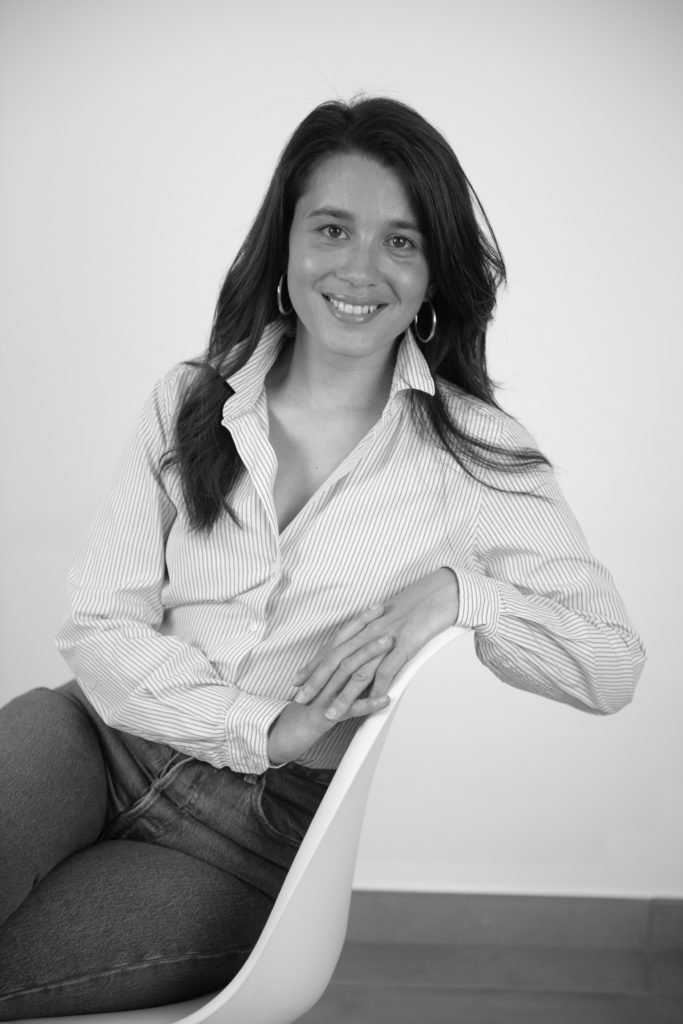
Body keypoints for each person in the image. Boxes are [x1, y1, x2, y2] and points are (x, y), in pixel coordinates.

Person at [0, 96, 645, 1018]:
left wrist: (463, 596)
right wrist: (261, 726)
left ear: (433, 273)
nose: (359, 268)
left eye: (400, 241)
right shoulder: (188, 399)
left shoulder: (474, 455)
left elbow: (611, 665)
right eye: (332, 229)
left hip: (248, 840)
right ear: (285, 244)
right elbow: (100, 620)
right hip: (92, 737)